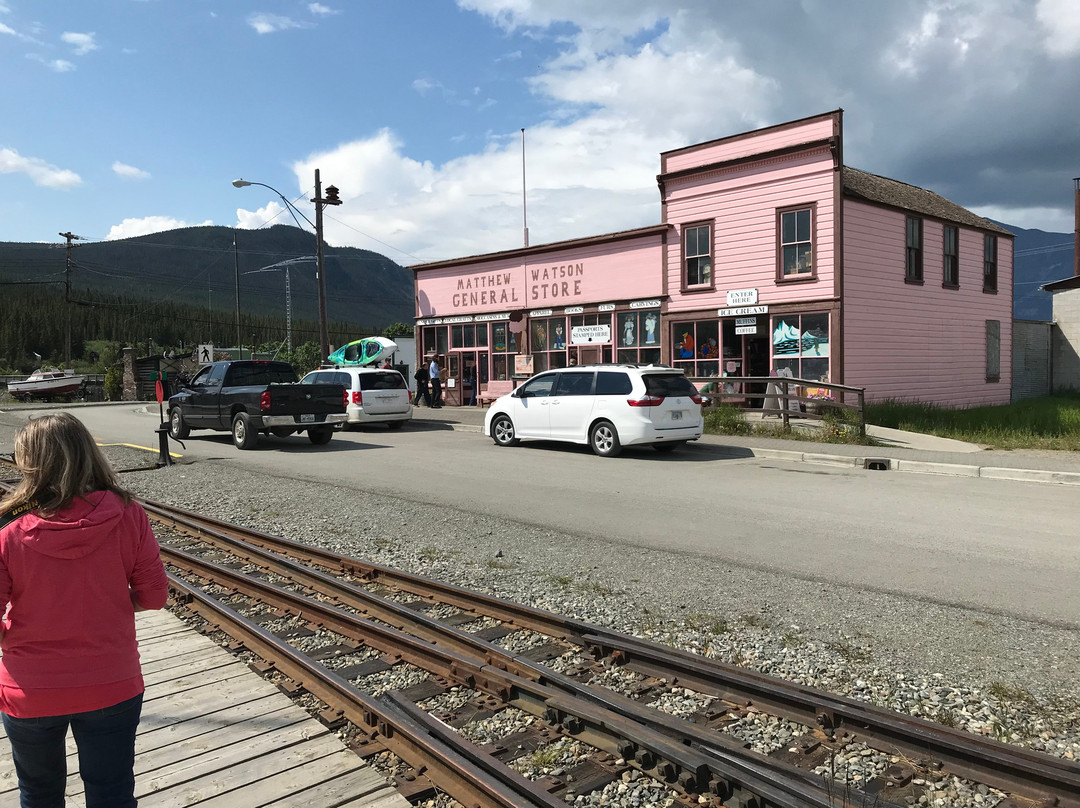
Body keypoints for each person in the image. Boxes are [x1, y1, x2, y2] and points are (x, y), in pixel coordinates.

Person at [0, 412, 168, 808]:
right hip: (112, 682)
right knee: (111, 793)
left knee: (38, 794)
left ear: (30, 463)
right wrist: (106, 604)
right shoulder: (128, 513)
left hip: (30, 689)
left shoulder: (8, 528)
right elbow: (154, 597)